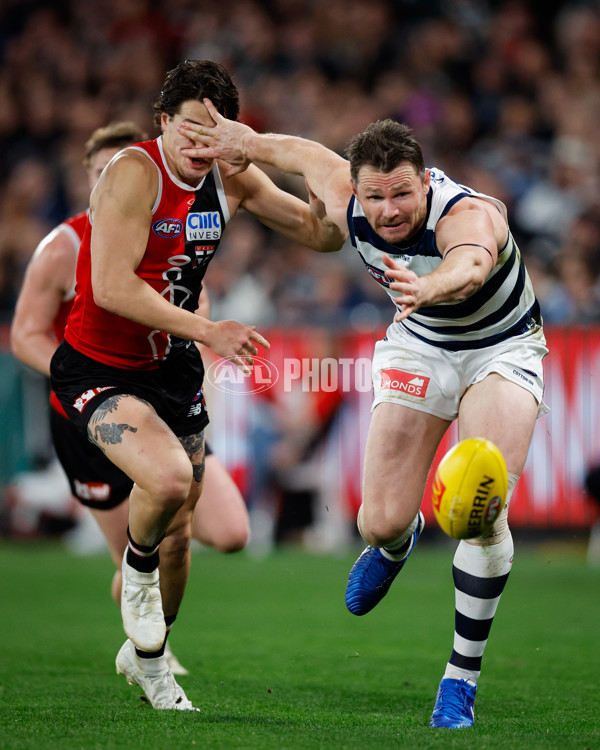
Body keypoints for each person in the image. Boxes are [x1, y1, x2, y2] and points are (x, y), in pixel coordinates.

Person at [178, 108, 549, 728]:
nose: (390, 210)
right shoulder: (344, 187)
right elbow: (299, 153)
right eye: (375, 197)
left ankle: (460, 679)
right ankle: (395, 543)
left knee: (482, 509)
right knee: (376, 522)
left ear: (425, 182)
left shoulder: (468, 213)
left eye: (403, 193)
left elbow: (473, 264)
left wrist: (429, 289)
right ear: (358, 187)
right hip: (421, 345)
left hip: (502, 346)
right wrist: (245, 141)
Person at [48, 60, 344, 712]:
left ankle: (149, 644)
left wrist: (320, 180)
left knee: (183, 534)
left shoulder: (231, 175)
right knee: (169, 482)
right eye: (187, 127)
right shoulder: (134, 171)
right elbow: (112, 288)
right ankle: (143, 614)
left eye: (211, 130)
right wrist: (208, 331)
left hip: (172, 370)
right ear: (163, 123)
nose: (196, 143)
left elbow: (318, 233)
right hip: (99, 364)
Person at [10, 120, 251, 677]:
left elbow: (198, 304)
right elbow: (25, 333)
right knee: (140, 547)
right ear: (89, 180)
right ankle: (151, 654)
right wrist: (91, 383)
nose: (117, 183)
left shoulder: (173, 234)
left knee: (231, 533)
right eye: (103, 174)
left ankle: (146, 643)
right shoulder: (63, 246)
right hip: (87, 418)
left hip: (160, 401)